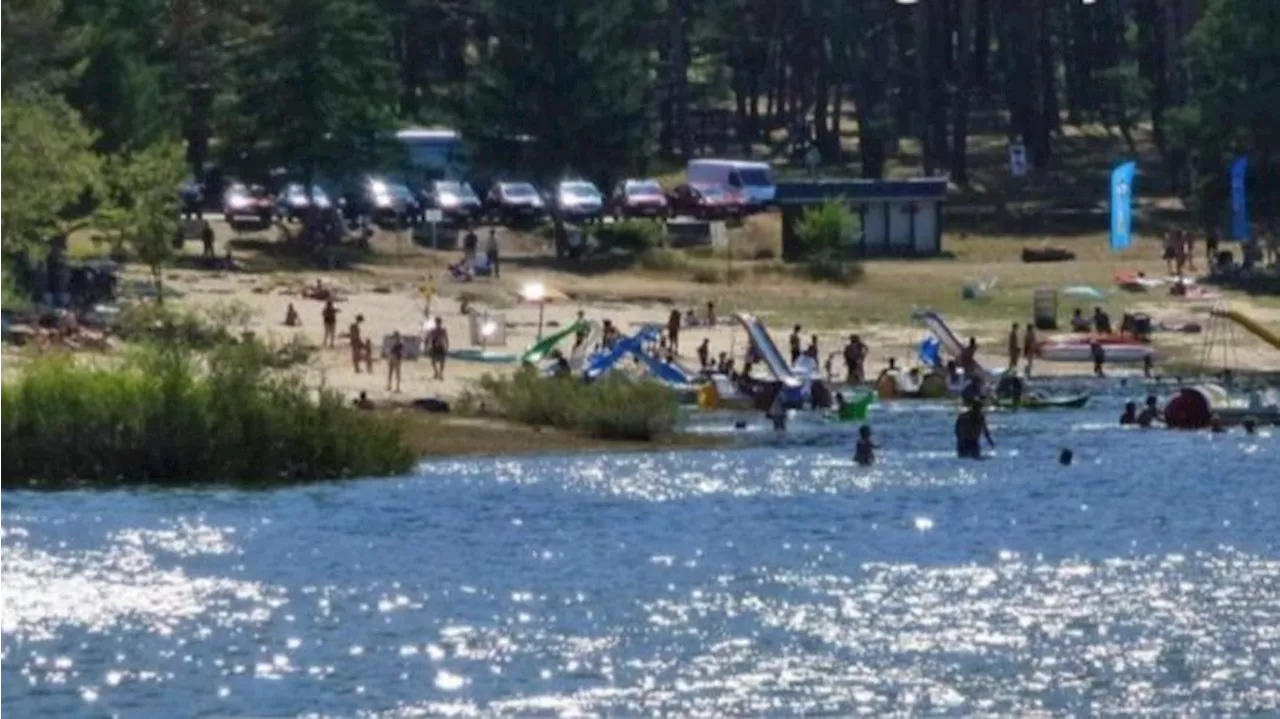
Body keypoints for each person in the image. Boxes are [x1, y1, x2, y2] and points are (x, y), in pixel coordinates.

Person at [426, 316, 449, 381]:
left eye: (439, 322)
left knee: (442, 361)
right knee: (433, 361)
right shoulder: (433, 330)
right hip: (434, 346)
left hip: (441, 346)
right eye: (437, 322)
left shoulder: (443, 330)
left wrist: (447, 346)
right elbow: (428, 337)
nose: (438, 323)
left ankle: (441, 373)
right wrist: (428, 345)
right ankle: (436, 372)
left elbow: (446, 338)